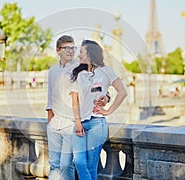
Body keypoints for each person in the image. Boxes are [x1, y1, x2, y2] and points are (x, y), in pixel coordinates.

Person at [46, 35, 109, 180]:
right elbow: (50, 97)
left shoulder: (80, 67)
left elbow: (100, 87)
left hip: (72, 122)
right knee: (54, 164)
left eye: (73, 48)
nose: (71, 51)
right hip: (55, 123)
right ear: (57, 50)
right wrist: (49, 120)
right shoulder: (53, 71)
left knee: (66, 164)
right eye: (66, 48)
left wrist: (106, 97)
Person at [70, 39, 127, 180]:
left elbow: (122, 92)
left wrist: (108, 111)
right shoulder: (78, 74)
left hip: (97, 124)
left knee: (91, 166)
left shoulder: (106, 71)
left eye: (81, 52)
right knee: (78, 161)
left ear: (89, 54)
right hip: (79, 123)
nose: (79, 55)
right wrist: (78, 122)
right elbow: (75, 101)